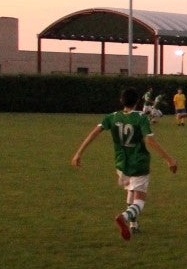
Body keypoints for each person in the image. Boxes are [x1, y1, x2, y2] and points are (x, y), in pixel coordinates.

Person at [70, 87, 178, 240]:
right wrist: (169, 159)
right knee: (139, 201)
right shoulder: (141, 117)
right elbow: (149, 140)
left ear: (121, 101)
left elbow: (95, 132)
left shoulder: (112, 117)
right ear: (137, 102)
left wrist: (78, 153)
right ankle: (124, 217)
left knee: (130, 190)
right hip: (139, 163)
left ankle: (133, 225)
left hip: (121, 165)